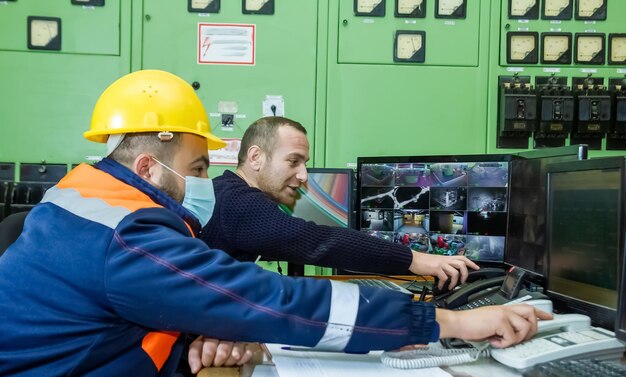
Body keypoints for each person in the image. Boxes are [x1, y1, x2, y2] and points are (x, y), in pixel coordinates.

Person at [0, 70, 551, 376]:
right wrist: (448, 325)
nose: (201, 183)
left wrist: (201, 331)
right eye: (196, 169)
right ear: (149, 165)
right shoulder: (128, 233)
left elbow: (128, 301)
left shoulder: (77, 194)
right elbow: (272, 300)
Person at [200, 116, 478, 290]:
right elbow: (316, 241)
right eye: (293, 161)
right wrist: (414, 259)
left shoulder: (226, 192)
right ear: (256, 157)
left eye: (304, 164)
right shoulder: (238, 203)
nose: (303, 175)